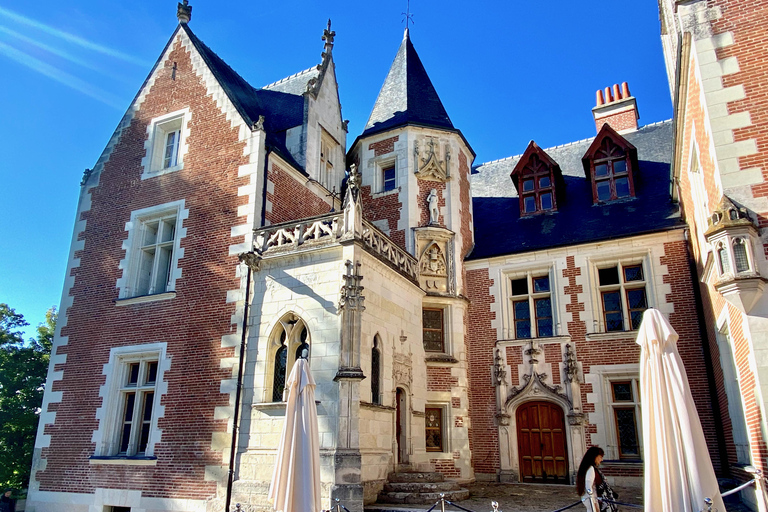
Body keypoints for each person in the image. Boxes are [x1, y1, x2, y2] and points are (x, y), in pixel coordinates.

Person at [576, 446, 618, 512]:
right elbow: (589, 489)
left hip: (600, 501)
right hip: (596, 503)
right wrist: (594, 505)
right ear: (595, 457)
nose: (602, 460)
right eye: (600, 457)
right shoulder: (591, 469)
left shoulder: (594, 469)